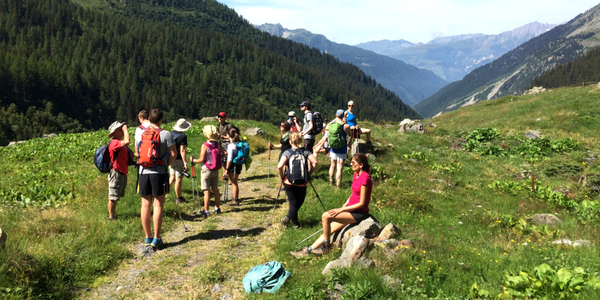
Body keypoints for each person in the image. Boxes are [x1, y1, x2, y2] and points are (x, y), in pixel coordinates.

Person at [290, 153, 372, 257]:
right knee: (328, 229)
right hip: (350, 210)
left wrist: (341, 210)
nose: (351, 164)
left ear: (361, 165)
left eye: (353, 162)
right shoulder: (356, 174)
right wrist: (342, 208)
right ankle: (308, 250)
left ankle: (326, 247)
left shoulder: (365, 178)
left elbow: (362, 203)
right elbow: (353, 195)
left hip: (359, 213)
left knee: (326, 216)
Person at [138, 109, 176, 249]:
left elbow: (138, 152)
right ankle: (157, 238)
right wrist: (165, 163)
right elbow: (173, 153)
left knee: (145, 205)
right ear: (161, 120)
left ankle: (147, 237)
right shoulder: (165, 134)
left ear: (148, 118)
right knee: (158, 205)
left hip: (143, 172)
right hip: (158, 172)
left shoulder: (143, 133)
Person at [277, 132, 318, 228]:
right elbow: (315, 162)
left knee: (293, 203)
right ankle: (295, 224)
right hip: (302, 182)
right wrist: (309, 174)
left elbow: (279, 166)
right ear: (300, 141)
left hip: (289, 182)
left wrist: (282, 177)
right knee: (298, 202)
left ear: (290, 141)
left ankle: (289, 219)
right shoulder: (305, 151)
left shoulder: (287, 152)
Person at [190, 125, 226, 216]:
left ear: (206, 135)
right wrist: (219, 159)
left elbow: (202, 159)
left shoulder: (205, 146)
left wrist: (193, 160)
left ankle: (206, 210)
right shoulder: (217, 144)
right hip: (215, 169)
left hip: (206, 169)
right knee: (215, 188)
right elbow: (225, 153)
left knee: (206, 191)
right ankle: (217, 207)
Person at [107, 121, 131, 220]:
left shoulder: (119, 143)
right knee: (113, 196)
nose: (122, 130)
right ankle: (112, 217)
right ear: (114, 132)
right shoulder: (114, 143)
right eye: (120, 129)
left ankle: (113, 215)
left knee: (116, 195)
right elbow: (127, 141)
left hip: (121, 171)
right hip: (116, 172)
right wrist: (126, 130)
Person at [169, 118, 191, 204]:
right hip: (178, 160)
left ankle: (163, 191)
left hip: (171, 158)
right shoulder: (182, 137)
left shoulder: (171, 134)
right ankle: (178, 198)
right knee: (178, 179)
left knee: (172, 177)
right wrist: (185, 163)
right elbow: (182, 150)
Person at [328, 109, 353, 187]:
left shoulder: (331, 124)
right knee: (339, 167)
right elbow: (350, 134)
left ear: (336, 115)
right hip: (342, 147)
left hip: (333, 147)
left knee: (332, 165)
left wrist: (333, 120)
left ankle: (331, 181)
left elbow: (326, 127)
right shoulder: (345, 126)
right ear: (343, 116)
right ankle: (338, 185)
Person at [225, 127, 243, 206]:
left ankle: (235, 199)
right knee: (235, 181)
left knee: (234, 182)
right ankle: (235, 197)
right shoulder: (240, 143)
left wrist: (227, 168)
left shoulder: (231, 145)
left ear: (229, 135)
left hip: (233, 165)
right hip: (239, 164)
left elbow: (229, 158)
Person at [217, 112, 235, 179]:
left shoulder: (229, 126)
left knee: (229, 160)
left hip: (228, 144)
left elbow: (232, 136)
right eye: (219, 117)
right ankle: (224, 174)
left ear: (225, 118)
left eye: (221, 117)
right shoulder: (218, 125)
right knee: (223, 161)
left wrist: (222, 136)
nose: (219, 118)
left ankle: (230, 176)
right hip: (221, 144)